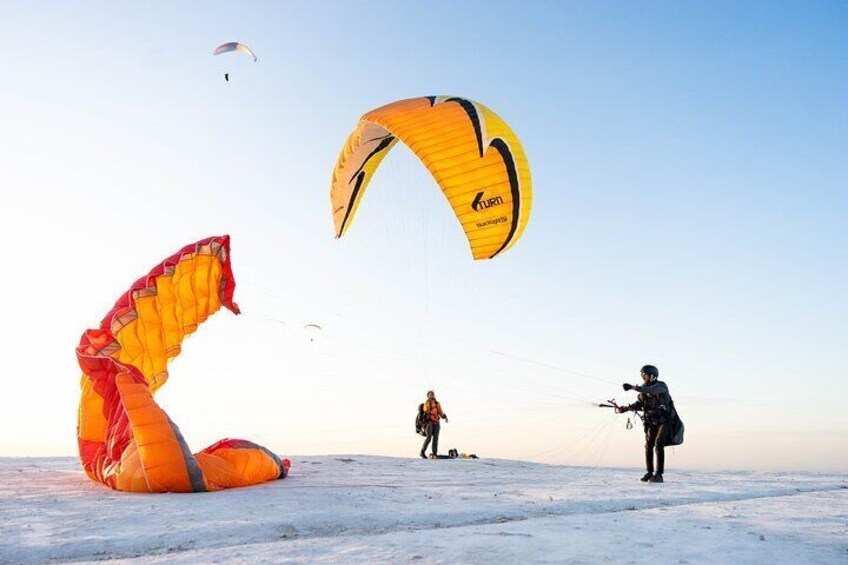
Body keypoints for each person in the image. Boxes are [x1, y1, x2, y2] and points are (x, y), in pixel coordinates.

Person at [617, 365, 675, 483]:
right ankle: (649, 472)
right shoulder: (643, 389)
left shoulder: (661, 386)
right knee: (648, 446)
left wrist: (632, 387)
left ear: (653, 376)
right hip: (651, 421)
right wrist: (626, 408)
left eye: (645, 375)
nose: (643, 377)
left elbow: (651, 390)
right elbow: (639, 403)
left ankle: (659, 474)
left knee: (659, 444)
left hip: (665, 421)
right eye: (642, 375)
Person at [420, 390, 448, 459]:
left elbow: (440, 411)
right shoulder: (427, 403)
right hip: (429, 421)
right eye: (430, 394)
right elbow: (426, 411)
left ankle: (434, 453)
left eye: (432, 394)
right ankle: (422, 452)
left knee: (436, 437)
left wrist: (444, 416)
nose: (431, 395)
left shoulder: (437, 403)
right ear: (428, 396)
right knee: (429, 437)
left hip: (436, 421)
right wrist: (431, 417)